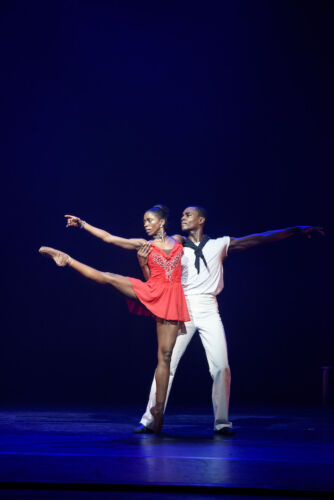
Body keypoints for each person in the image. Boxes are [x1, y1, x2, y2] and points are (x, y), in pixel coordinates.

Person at [134, 206, 324, 435]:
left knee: (221, 366)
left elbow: (257, 239)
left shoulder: (219, 244)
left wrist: (296, 230)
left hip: (208, 308)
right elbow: (157, 248)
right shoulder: (177, 244)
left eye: (188, 214)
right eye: (182, 215)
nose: (182, 217)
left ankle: (221, 422)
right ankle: (150, 419)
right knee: (167, 363)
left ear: (201, 219)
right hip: (181, 306)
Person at [39, 205, 190, 434]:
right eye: (144, 221)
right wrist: (83, 224)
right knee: (109, 278)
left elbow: (200, 247)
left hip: (171, 297)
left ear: (161, 222)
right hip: (152, 289)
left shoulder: (179, 240)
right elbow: (109, 238)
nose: (145, 224)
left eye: (149, 220)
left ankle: (158, 411)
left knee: (165, 356)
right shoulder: (144, 244)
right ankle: (67, 259)